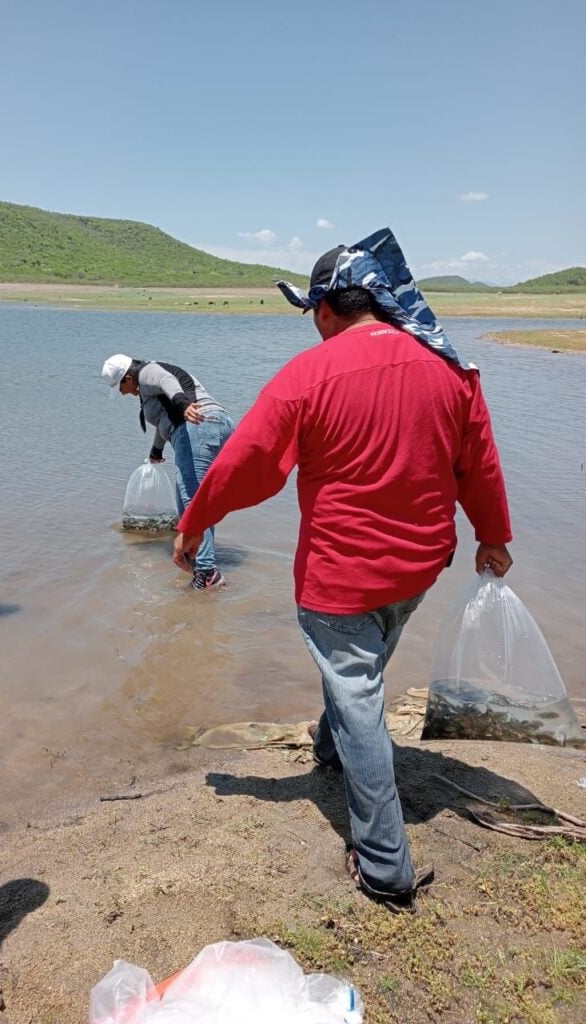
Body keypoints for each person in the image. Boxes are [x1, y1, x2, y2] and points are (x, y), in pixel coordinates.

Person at [173, 228, 513, 910]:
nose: (313, 327)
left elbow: (248, 464)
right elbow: (479, 462)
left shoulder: (311, 374)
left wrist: (193, 523)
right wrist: (493, 537)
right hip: (420, 567)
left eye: (312, 315)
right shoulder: (449, 366)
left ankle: (385, 864)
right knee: (358, 670)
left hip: (341, 578)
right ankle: (333, 744)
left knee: (357, 688)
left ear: (328, 309)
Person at [102, 355, 234, 589]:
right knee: (186, 504)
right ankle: (197, 565)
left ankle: (207, 572)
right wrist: (156, 449)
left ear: (129, 378)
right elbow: (166, 418)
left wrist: (183, 405)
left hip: (197, 428)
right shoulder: (146, 386)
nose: (122, 393)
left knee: (194, 503)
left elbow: (167, 380)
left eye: (121, 387)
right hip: (212, 427)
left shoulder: (148, 372)